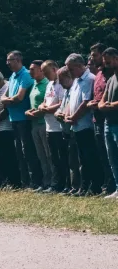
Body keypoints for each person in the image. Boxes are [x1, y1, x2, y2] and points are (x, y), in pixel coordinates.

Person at [1, 50, 44, 190]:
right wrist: (9, 100)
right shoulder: (13, 76)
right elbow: (4, 97)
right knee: (19, 151)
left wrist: (8, 100)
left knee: (28, 151)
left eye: (10, 60)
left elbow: (19, 98)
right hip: (14, 119)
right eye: (7, 60)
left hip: (24, 119)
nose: (7, 63)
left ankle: (35, 181)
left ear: (18, 60)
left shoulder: (25, 75)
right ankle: (24, 182)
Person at [65, 53, 102, 196]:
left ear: (79, 66)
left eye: (71, 69)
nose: (69, 72)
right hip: (77, 126)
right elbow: (71, 99)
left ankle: (94, 186)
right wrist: (68, 115)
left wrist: (73, 117)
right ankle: (84, 186)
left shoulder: (88, 79)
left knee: (90, 157)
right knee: (82, 159)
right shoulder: (76, 80)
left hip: (86, 125)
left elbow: (85, 102)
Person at [88, 43, 115, 195]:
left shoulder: (111, 74)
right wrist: (94, 102)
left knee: (112, 154)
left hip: (110, 118)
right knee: (103, 155)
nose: (92, 58)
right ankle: (109, 185)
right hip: (97, 119)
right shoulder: (98, 74)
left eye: (95, 55)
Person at [38, 60, 68, 193]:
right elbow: (45, 101)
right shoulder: (50, 84)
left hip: (58, 126)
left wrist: (48, 109)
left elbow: (62, 103)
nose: (45, 75)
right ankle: (56, 184)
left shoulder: (61, 84)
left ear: (55, 69)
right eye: (43, 72)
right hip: (49, 126)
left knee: (62, 157)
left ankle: (64, 184)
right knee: (53, 157)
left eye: (46, 72)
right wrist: (41, 106)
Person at [0, 70, 21, 188]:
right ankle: (5, 180)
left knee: (9, 157)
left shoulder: (7, 88)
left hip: (6, 128)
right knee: (1, 158)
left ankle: (14, 182)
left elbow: (7, 109)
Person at [25, 60, 53, 190]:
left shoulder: (47, 84)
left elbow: (47, 103)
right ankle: (46, 181)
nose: (30, 71)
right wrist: (29, 111)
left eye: (32, 69)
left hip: (44, 123)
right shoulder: (34, 85)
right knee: (41, 155)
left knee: (48, 154)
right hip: (34, 124)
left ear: (41, 70)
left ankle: (54, 181)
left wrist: (37, 112)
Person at [55, 67, 82, 195]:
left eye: (61, 80)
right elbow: (61, 108)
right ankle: (72, 185)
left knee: (76, 160)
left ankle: (78, 186)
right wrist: (58, 114)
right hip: (65, 129)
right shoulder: (66, 91)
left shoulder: (74, 90)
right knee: (69, 160)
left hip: (74, 128)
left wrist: (64, 114)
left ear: (69, 77)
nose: (60, 83)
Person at [100, 47, 118, 198]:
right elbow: (103, 99)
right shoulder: (111, 78)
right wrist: (101, 105)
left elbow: (110, 103)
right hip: (108, 122)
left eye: (108, 61)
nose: (106, 64)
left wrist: (111, 105)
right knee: (112, 157)